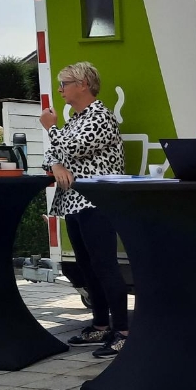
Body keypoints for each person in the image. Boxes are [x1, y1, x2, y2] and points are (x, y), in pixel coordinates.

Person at [40, 61, 129, 360]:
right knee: (87, 266)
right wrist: (55, 164)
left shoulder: (100, 117)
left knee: (105, 266)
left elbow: (72, 148)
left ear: (83, 84)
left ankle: (124, 332)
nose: (60, 89)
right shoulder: (76, 120)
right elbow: (55, 153)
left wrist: (52, 129)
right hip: (75, 201)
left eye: (64, 83)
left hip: (97, 202)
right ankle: (101, 325)